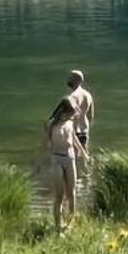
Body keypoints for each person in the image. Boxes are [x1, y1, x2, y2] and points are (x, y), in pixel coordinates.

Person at [44, 94, 81, 232]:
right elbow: (46, 143)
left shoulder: (70, 123)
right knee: (59, 195)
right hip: (56, 159)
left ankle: (70, 223)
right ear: (62, 112)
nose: (70, 117)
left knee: (72, 192)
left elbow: (74, 138)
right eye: (68, 114)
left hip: (70, 158)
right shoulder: (51, 125)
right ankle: (58, 226)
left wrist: (83, 153)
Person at [65, 69, 95, 175]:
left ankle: (76, 182)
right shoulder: (88, 95)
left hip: (74, 130)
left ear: (75, 80)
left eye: (70, 77)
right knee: (84, 155)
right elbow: (91, 115)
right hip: (84, 129)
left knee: (73, 158)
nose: (68, 79)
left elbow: (68, 117)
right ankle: (87, 179)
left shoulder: (72, 97)